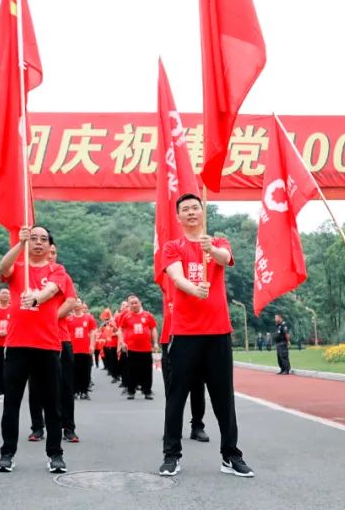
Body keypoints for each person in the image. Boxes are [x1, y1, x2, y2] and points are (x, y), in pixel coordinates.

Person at [159, 194, 253, 479]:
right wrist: (193, 288)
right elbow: (176, 277)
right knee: (177, 396)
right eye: (185, 209)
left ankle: (231, 455)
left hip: (218, 332)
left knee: (224, 397)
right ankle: (171, 455)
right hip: (186, 333)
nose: (191, 212)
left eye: (195, 208)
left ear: (202, 212)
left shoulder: (218, 242)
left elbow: (225, 258)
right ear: (178, 217)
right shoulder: (172, 246)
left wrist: (210, 247)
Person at [0, 225, 68, 474]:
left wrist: (36, 297)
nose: (38, 242)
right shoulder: (19, 268)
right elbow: (3, 267)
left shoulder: (57, 270)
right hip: (17, 345)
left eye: (43, 239)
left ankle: (55, 454)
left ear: (49, 246)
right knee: (11, 404)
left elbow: (52, 290)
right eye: (33, 238)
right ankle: (7, 453)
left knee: (52, 405)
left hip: (47, 346)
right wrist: (20, 243)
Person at [28, 243, 78, 443]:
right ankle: (37, 427)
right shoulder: (29, 275)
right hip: (34, 339)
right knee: (35, 386)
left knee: (65, 386)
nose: (51, 255)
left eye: (54, 252)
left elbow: (70, 301)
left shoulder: (62, 275)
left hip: (60, 337)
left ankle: (68, 427)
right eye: (49, 252)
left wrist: (49, 318)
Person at [157, 269, 208, 442]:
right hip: (170, 337)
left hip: (194, 335)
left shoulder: (195, 274)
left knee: (197, 386)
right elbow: (161, 262)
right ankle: (172, 428)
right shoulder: (167, 277)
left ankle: (197, 425)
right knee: (172, 387)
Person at [119, 295, 157, 400]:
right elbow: (120, 330)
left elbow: (153, 329)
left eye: (136, 302)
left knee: (147, 371)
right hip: (131, 349)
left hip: (146, 348)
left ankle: (147, 391)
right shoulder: (126, 316)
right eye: (132, 303)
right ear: (129, 305)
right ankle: (131, 391)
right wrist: (122, 342)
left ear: (140, 303)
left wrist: (155, 343)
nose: (134, 305)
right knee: (132, 371)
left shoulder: (147, 315)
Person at [67, 302, 97, 400]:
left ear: (82, 305)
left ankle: (84, 391)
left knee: (85, 371)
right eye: (74, 302)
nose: (76, 304)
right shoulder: (68, 319)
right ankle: (74, 391)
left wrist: (92, 345)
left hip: (85, 349)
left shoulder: (89, 318)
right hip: (72, 350)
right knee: (73, 371)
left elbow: (93, 332)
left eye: (78, 302)